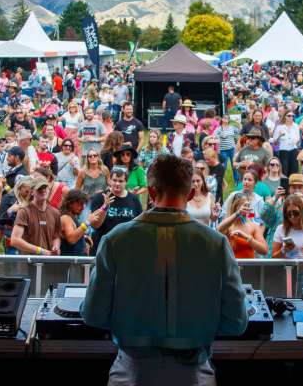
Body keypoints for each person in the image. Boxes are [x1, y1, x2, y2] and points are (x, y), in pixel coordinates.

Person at [81, 154, 247, 385]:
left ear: (150, 192)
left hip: (131, 371)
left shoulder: (115, 240)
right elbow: (236, 322)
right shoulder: (216, 243)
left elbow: (93, 314)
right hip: (194, 372)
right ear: (191, 194)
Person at [261, 174, 303, 258]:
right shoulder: (279, 204)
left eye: (300, 187)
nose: (296, 190)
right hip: (279, 251)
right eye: (293, 187)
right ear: (289, 189)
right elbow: (264, 216)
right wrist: (275, 197)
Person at [88, 166, 143, 256]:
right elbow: (95, 225)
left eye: (120, 181)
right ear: (110, 180)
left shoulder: (134, 199)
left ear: (126, 182)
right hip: (103, 249)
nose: (117, 183)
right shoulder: (100, 197)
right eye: (114, 180)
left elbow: (139, 226)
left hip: (126, 250)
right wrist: (105, 207)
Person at [10, 176, 61, 255]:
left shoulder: (55, 213)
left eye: (45, 187)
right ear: (32, 192)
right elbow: (14, 240)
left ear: (49, 189)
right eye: (39, 188)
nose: (43, 190)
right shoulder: (24, 211)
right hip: (28, 261)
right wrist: (41, 251)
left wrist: (56, 246)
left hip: (48, 261)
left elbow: (56, 236)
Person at [217, 194, 267, 258]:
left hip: (249, 263)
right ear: (234, 206)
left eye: (247, 205)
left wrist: (247, 237)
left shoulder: (253, 226)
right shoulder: (228, 226)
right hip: (232, 263)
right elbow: (219, 230)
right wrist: (237, 213)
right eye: (241, 205)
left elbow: (264, 250)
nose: (244, 208)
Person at [0, 176, 35, 256]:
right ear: (20, 188)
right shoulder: (8, 198)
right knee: (13, 260)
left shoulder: (34, 198)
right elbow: (1, 220)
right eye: (26, 191)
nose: (29, 194)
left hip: (30, 237)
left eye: (31, 191)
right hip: (12, 235)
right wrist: (10, 211)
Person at [60, 189, 103, 257]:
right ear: (70, 203)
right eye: (80, 204)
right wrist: (87, 222)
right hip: (70, 262)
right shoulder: (65, 218)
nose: (82, 208)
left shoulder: (72, 217)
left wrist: (83, 238)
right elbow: (71, 239)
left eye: (83, 204)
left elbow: (73, 234)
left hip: (76, 261)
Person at [214, 114, 240, 183]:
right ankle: (221, 181)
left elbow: (239, 131)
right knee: (223, 166)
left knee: (234, 165)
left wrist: (237, 123)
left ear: (229, 120)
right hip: (223, 150)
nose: (226, 119)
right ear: (222, 119)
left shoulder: (232, 127)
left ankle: (237, 181)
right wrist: (219, 135)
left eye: (227, 118)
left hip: (232, 149)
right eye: (225, 118)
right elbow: (214, 136)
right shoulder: (219, 129)